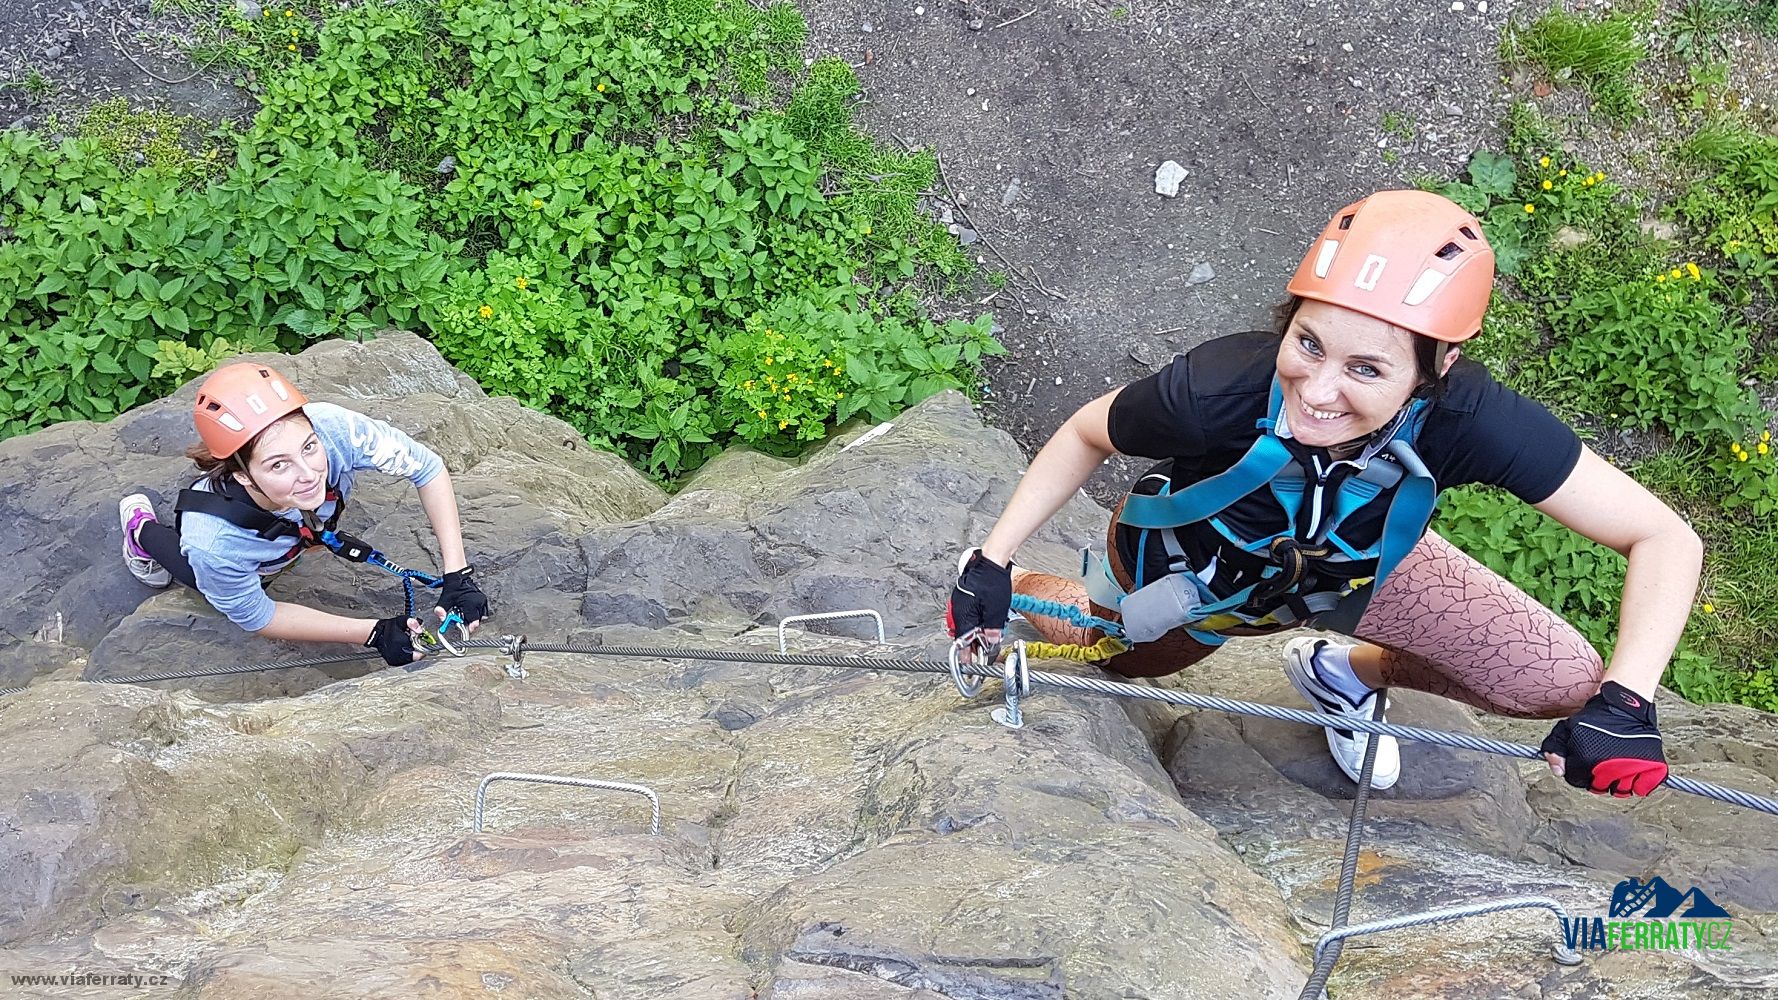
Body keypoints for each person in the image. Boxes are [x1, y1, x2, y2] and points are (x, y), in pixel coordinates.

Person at [946, 189, 1701, 797]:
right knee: (1113, 657)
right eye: (1308, 343)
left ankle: (1339, 673)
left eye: (1368, 369)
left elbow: (1664, 537)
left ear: (1438, 365)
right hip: (1188, 573)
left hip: (1358, 566)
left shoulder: (1472, 418)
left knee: (1558, 679)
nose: (1319, 389)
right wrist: (992, 557)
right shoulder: (1217, 389)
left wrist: (1628, 701)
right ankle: (1021, 599)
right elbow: (1087, 432)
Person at [117, 362, 491, 667]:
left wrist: (456, 572)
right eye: (279, 465)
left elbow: (426, 468)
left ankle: (296, 528)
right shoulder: (215, 542)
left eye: (308, 447)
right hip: (247, 547)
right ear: (242, 474)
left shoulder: (333, 429)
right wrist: (372, 632)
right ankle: (141, 532)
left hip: (297, 531)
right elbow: (256, 615)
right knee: (205, 579)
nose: (309, 473)